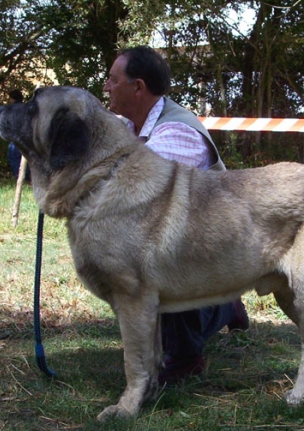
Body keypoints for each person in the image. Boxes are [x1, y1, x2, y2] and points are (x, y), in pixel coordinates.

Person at [103, 46, 249, 384]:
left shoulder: (178, 132)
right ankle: (226, 305)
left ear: (137, 88)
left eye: (112, 80)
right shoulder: (129, 123)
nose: (107, 87)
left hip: (212, 245)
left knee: (159, 249)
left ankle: (186, 356)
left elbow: (133, 186)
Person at [6, 89, 29, 180]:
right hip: (27, 138)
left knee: (14, 158)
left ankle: (18, 176)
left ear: (12, 98)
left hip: (15, 138)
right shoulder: (27, 108)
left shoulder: (10, 109)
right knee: (26, 158)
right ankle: (27, 178)